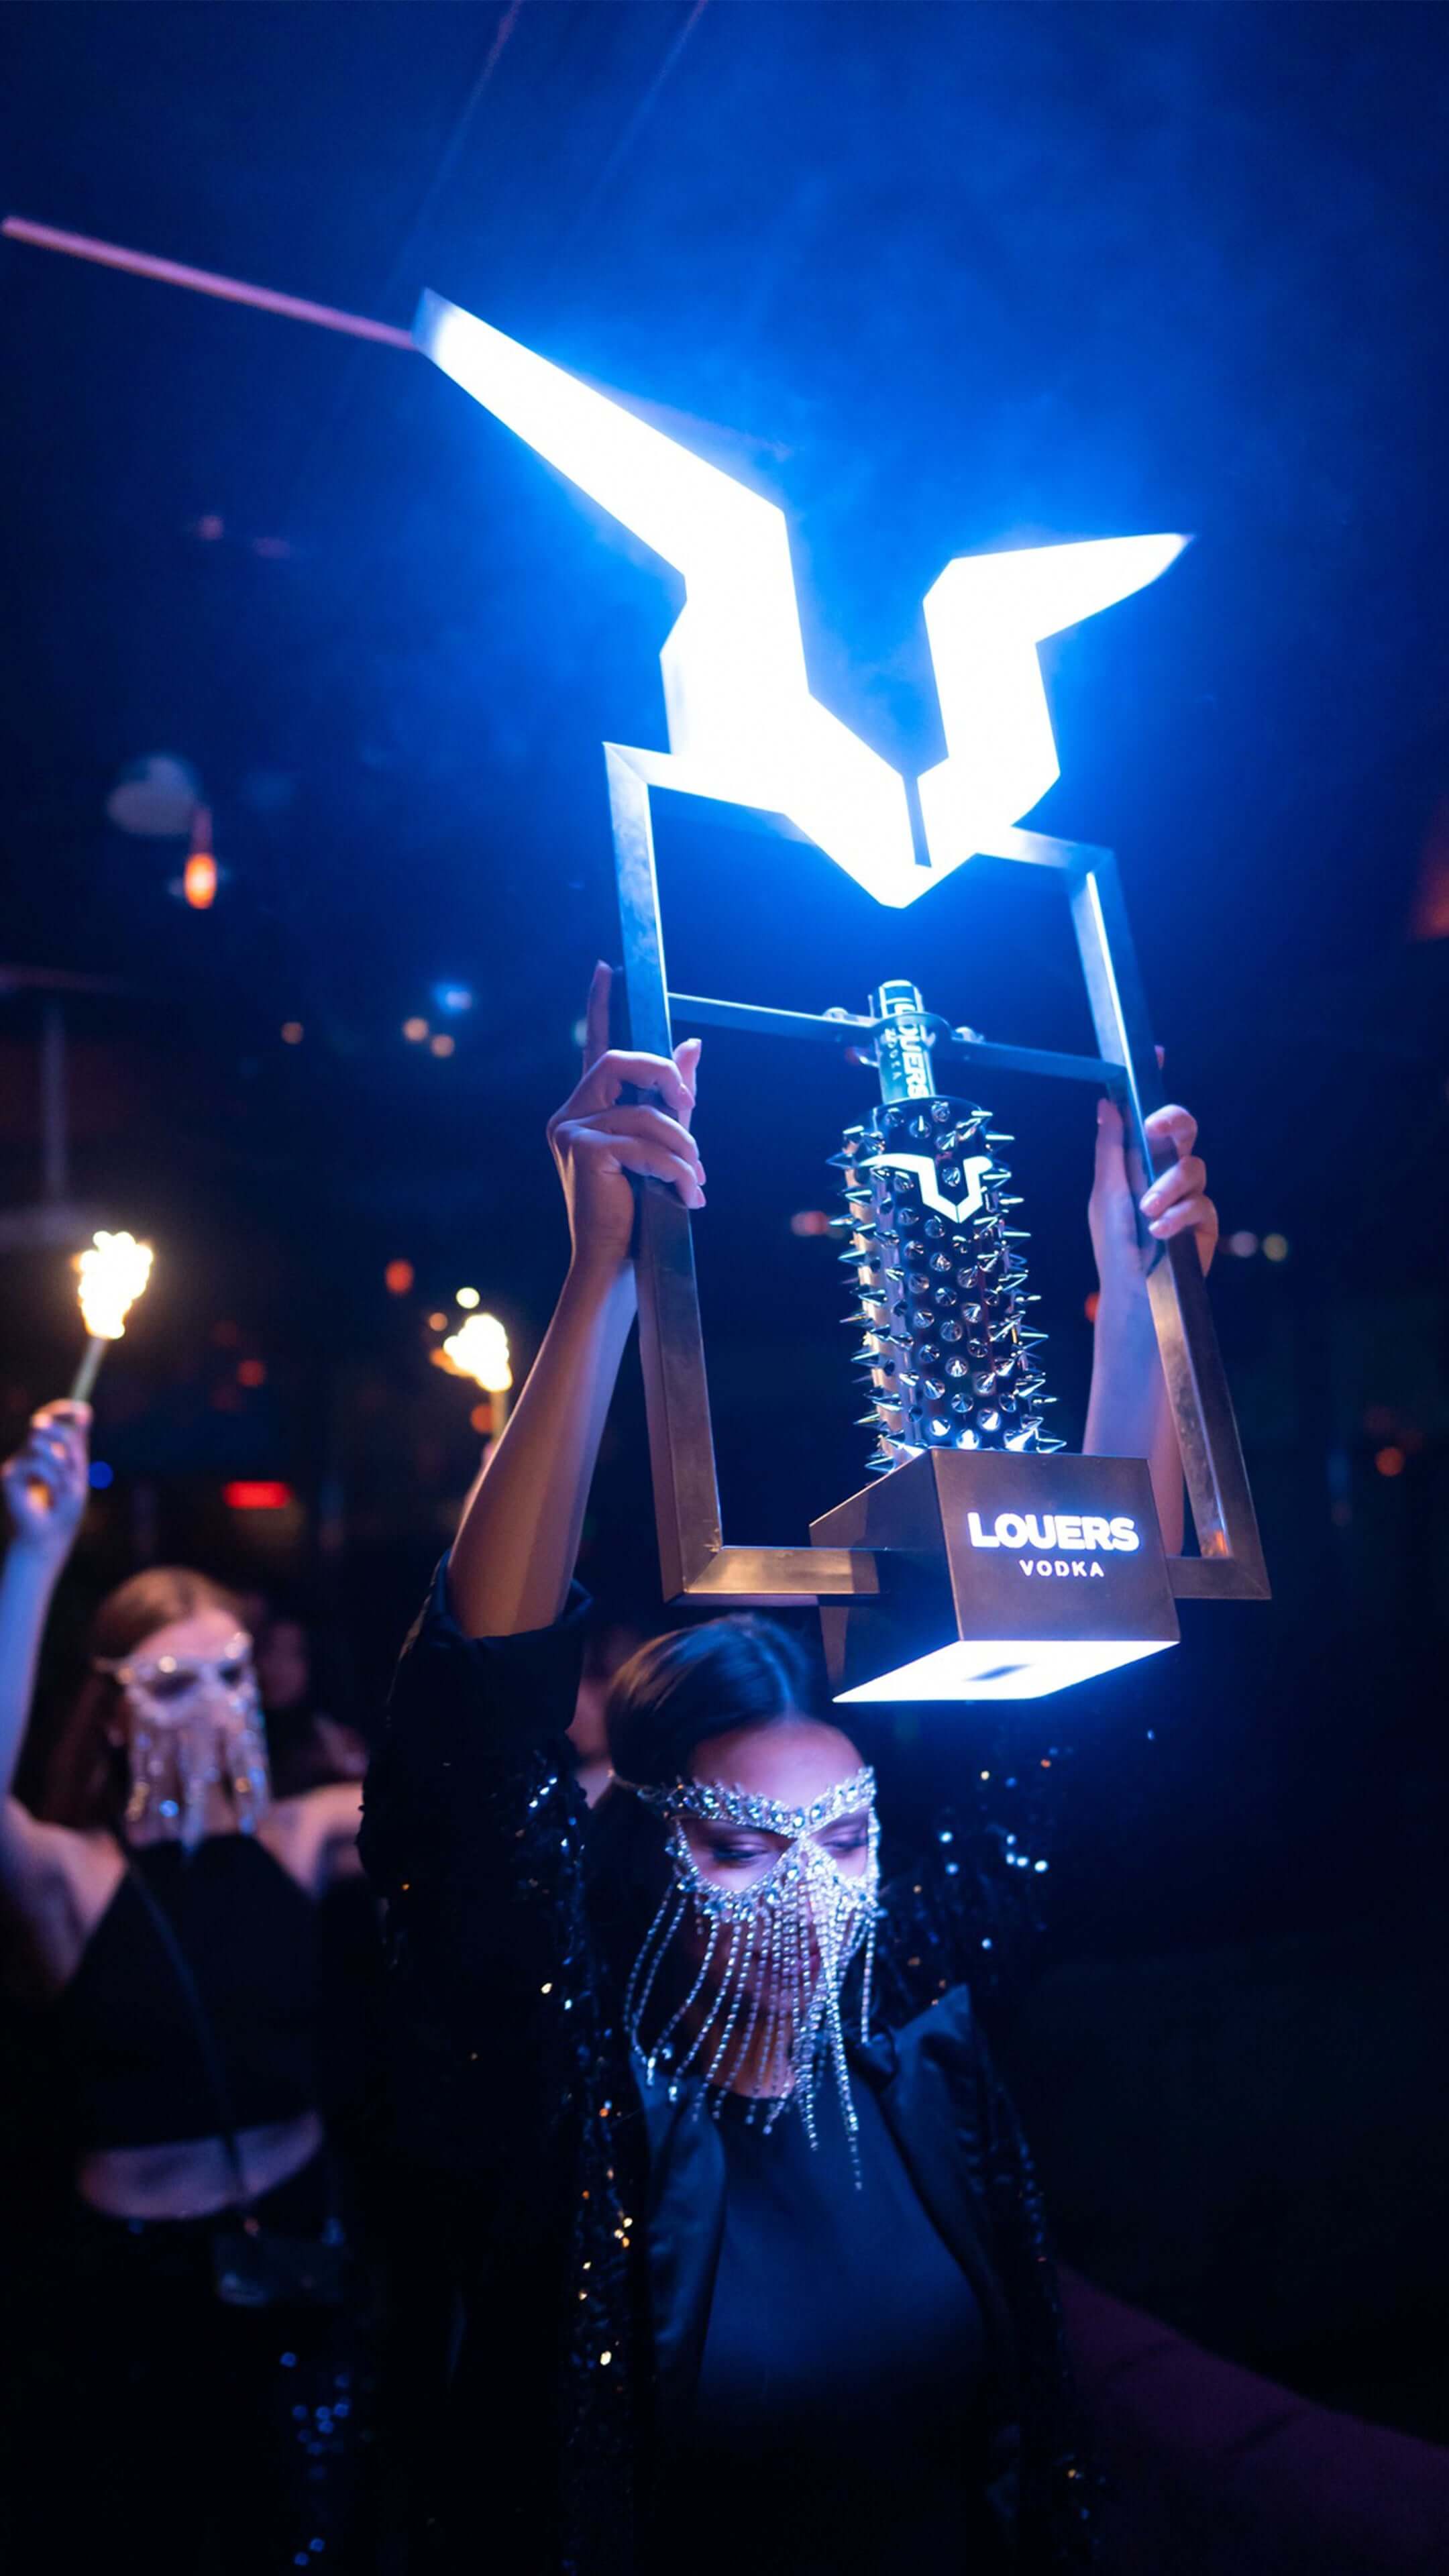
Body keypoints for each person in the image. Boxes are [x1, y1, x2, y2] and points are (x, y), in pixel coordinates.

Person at [361, 965, 1218, 2576]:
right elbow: (470, 1742)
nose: (813, 1895)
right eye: (750, 1848)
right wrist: (602, 1282)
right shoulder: (578, 2094)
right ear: (645, 1835)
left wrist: (1133, 1296)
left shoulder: (913, 2024)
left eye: (846, 1836)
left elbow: (1077, 1651)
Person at [0, 1407, 369, 2575]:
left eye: (230, 1674)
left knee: (306, 2539)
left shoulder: (300, 1836)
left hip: (300, 2244)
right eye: (172, 1681)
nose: (211, 1705)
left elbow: (481, 1803)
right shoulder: (73, 1878)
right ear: (112, 1705)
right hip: (131, 2286)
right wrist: (33, 1559)